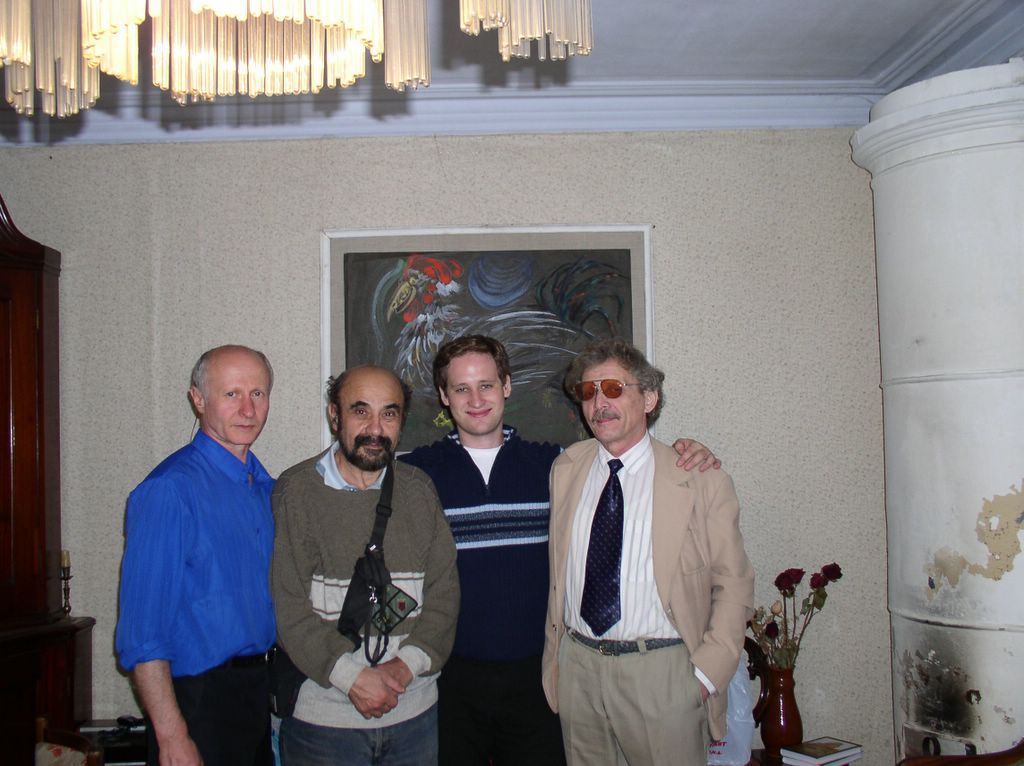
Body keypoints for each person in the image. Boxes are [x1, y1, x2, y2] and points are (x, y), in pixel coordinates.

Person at [400, 335, 722, 766]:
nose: (476, 400)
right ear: (444, 396)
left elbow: (633, 458)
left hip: (541, 680)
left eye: (487, 385)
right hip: (451, 681)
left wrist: (691, 451)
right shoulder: (417, 475)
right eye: (461, 388)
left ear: (507, 386)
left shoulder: (555, 466)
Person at [541, 338, 754, 766]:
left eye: (613, 389)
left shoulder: (699, 479)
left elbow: (734, 584)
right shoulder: (566, 468)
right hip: (579, 669)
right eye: (589, 391)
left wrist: (704, 676)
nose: (599, 402)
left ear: (650, 398)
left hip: (662, 674)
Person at [271, 365, 459, 766]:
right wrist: (351, 678)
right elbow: (287, 607)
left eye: (389, 413)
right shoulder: (297, 492)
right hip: (324, 725)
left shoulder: (419, 491)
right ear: (334, 416)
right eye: (361, 411)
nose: (376, 429)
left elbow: (444, 594)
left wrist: (404, 669)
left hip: (414, 716)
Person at [116, 344, 277, 766]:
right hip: (198, 701)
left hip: (255, 694)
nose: (247, 409)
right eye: (231, 394)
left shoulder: (267, 489)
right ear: (198, 399)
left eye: (257, 394)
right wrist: (172, 735)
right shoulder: (169, 491)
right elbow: (142, 633)